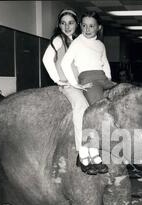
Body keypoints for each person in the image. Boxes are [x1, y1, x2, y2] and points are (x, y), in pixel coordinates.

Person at [42, 9, 100, 175]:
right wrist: (58, 80)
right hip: (68, 85)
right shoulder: (59, 39)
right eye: (63, 23)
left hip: (79, 84)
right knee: (81, 108)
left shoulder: (77, 41)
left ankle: (93, 152)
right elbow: (46, 59)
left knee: (95, 108)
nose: (66, 26)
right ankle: (82, 154)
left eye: (70, 22)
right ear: (59, 25)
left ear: (77, 24)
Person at [61, 12, 115, 175]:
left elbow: (104, 62)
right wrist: (75, 83)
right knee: (93, 115)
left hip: (101, 77)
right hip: (88, 77)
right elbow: (65, 63)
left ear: (99, 28)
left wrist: (109, 80)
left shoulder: (100, 44)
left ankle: (99, 150)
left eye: (91, 26)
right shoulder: (77, 42)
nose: (87, 29)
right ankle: (88, 154)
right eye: (83, 25)